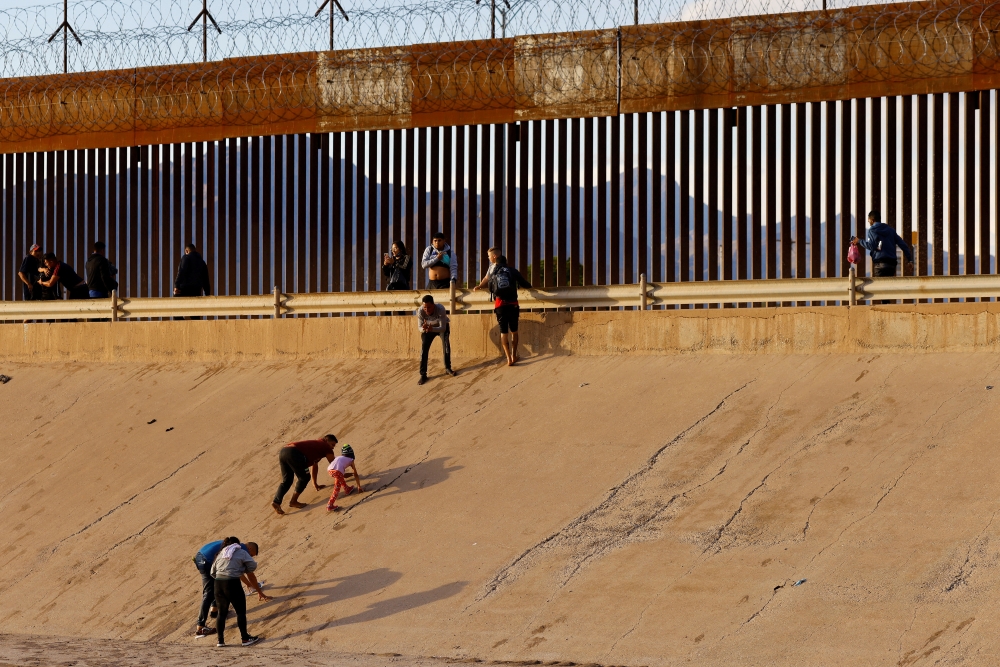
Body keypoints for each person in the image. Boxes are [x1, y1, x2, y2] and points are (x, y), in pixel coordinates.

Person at [193, 538, 271, 638]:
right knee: (209, 592)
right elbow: (248, 574)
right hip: (207, 560)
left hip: (201, 556)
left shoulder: (233, 546)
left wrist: (248, 584)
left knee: (218, 582)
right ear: (249, 548)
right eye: (252, 554)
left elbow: (236, 571)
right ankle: (200, 626)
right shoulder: (241, 550)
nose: (251, 557)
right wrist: (260, 592)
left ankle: (214, 610)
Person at [474, 255, 532, 366]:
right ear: (506, 262)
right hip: (513, 304)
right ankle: (514, 355)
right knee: (514, 331)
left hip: (499, 305)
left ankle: (508, 358)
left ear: (496, 262)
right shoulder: (512, 270)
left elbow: (491, 289)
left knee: (503, 332)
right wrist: (530, 287)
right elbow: (524, 283)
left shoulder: (493, 273)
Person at [851, 210, 915, 304]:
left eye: (868, 220)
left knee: (881, 291)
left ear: (872, 220)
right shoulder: (891, 230)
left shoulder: (872, 230)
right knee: (887, 289)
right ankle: (887, 307)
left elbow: (871, 246)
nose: (868, 222)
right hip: (891, 264)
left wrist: (859, 241)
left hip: (880, 264)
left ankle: (885, 310)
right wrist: (910, 260)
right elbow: (903, 245)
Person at [211, 537, 265, 647]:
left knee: (221, 613)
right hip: (232, 583)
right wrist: (241, 569)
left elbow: (212, 571)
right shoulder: (240, 552)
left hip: (218, 584)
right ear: (237, 544)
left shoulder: (222, 553)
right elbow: (252, 566)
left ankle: (220, 641)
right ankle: (245, 639)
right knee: (240, 612)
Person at [271, 434, 339, 516]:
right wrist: (343, 474)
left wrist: (315, 484)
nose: (332, 447)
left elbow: (314, 465)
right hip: (294, 453)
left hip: (284, 451)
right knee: (304, 477)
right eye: (332, 444)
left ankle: (276, 502)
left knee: (287, 480)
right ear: (326, 441)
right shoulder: (325, 447)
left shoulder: (317, 446)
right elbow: (334, 466)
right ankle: (293, 501)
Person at [417, 294, 457, 385]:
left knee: (446, 346)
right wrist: (424, 329)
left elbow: (443, 328)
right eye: (425, 308)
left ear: (434, 305)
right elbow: (419, 327)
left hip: (440, 327)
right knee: (424, 349)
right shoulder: (420, 311)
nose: (427, 310)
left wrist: (432, 329)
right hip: (428, 329)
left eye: (429, 307)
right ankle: (423, 375)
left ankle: (448, 368)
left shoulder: (440, 309)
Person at [326, 444, 365, 512]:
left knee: (340, 478)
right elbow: (355, 474)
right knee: (337, 488)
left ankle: (347, 489)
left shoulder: (339, 457)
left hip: (330, 470)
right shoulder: (351, 460)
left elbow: (343, 475)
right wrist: (359, 486)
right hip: (337, 471)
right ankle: (330, 505)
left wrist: (349, 474)